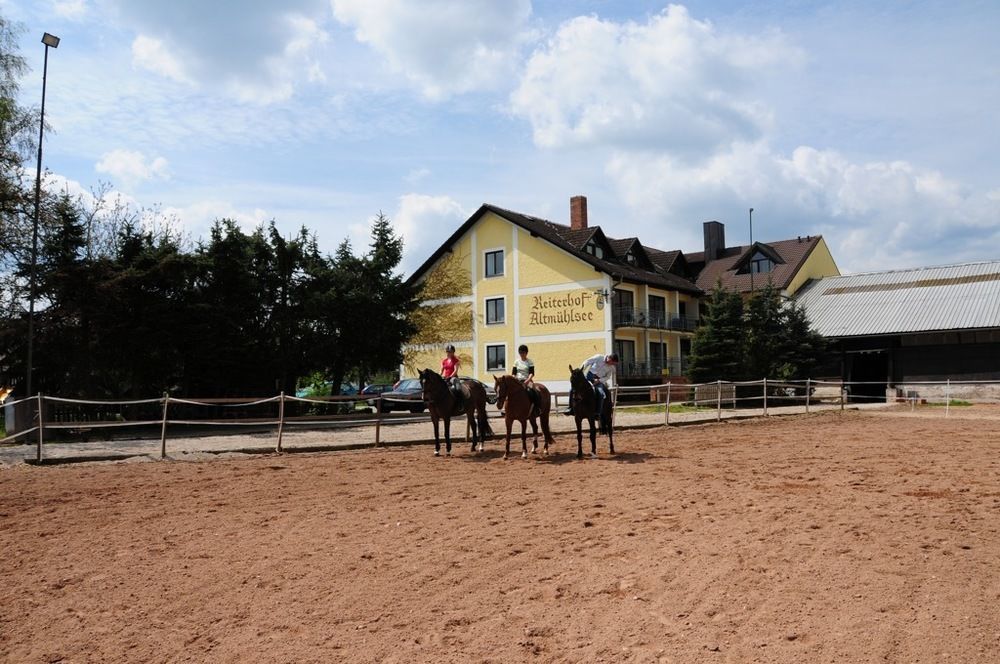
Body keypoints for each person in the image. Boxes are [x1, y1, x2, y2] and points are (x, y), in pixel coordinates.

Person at [511, 344, 539, 411]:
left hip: (527, 380)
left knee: (533, 391)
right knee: (509, 390)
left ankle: (537, 407)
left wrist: (528, 380)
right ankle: (507, 408)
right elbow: (513, 373)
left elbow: (531, 373)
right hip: (517, 380)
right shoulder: (516, 362)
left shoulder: (529, 362)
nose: (522, 354)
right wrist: (515, 379)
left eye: (523, 352)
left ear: (526, 353)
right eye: (520, 352)